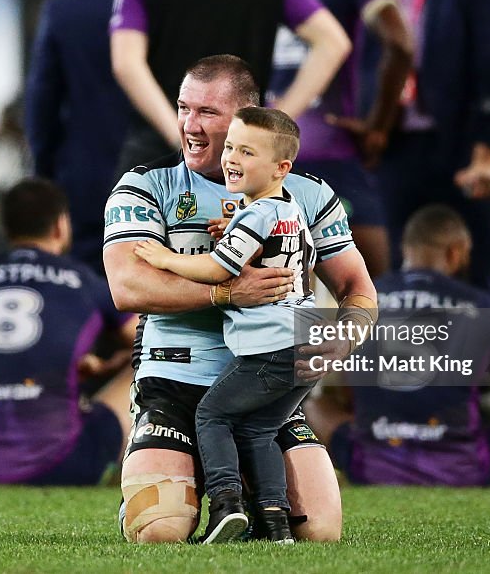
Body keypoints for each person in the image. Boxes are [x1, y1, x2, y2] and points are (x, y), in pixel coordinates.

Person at [104, 54, 378, 543]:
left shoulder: (310, 195)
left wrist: (346, 336)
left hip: (265, 381)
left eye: (207, 113)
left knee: (319, 531)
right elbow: (128, 288)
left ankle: (247, 500)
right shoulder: (145, 185)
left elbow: (358, 288)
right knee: (161, 528)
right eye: (184, 108)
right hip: (175, 380)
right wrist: (227, 292)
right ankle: (166, 488)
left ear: (249, 120)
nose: (189, 125)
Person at [305, 204, 490, 486]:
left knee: (314, 406)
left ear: (406, 250)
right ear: (457, 252)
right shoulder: (482, 305)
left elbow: (344, 389)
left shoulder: (367, 299)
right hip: (460, 467)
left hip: (372, 463)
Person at [135, 107, 317, 544]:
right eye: (231, 147)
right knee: (257, 430)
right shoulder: (288, 209)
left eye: (247, 152)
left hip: (270, 349)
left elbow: (219, 270)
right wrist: (234, 229)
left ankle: (226, 505)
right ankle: (275, 525)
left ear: (281, 168)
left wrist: (163, 258)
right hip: (306, 347)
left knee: (212, 415)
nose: (232, 158)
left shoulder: (256, 214)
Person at [110, 0, 351, 172]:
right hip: (239, 165)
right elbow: (333, 42)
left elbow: (126, 63)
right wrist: (273, 123)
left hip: (157, 161)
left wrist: (183, 135)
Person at [349, 0, 490, 294]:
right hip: (395, 146)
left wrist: (488, 147)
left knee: (478, 270)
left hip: (463, 145)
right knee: (396, 279)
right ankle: (405, 359)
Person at [0, 178, 137, 486]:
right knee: (153, 360)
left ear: (7, 228)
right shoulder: (82, 280)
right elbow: (147, 339)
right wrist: (108, 364)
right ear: (60, 225)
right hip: (61, 465)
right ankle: (146, 469)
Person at [266, 0, 413, 278]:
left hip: (266, 155)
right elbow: (401, 44)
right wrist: (378, 126)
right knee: (377, 292)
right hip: (333, 152)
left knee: (282, 302)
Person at [25, 0, 154, 275]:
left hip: (85, 185)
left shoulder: (64, 12)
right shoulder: (165, 9)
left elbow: (40, 106)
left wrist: (46, 174)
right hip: (162, 182)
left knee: (87, 299)